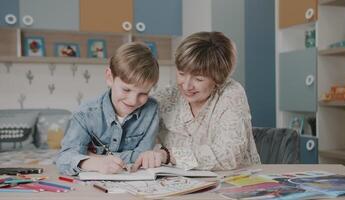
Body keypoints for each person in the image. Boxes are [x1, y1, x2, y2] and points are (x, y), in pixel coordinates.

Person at [132, 31, 260, 171]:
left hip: (234, 182)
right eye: (181, 74)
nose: (186, 86)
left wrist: (169, 155)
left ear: (218, 79)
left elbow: (229, 155)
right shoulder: (167, 97)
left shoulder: (231, 94)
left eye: (198, 79)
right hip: (179, 184)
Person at [56, 42, 161, 175]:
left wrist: (91, 155)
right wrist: (95, 163)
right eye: (126, 89)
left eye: (143, 93)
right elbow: (64, 158)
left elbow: (142, 156)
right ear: (109, 77)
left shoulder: (151, 110)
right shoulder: (85, 113)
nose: (133, 101)